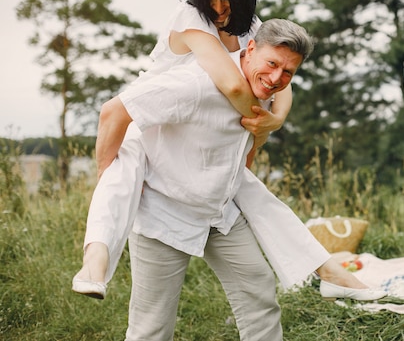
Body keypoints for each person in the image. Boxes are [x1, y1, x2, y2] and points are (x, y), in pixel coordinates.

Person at [72, 0, 385, 303]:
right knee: (120, 176)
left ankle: (329, 271)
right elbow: (234, 84)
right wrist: (102, 174)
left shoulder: (251, 28)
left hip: (202, 138)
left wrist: (274, 121)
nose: (219, 8)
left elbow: (282, 81)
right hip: (153, 123)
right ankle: (94, 264)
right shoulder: (192, 19)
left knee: (259, 198)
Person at [102, 18, 308, 340]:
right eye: (272, 65)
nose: (276, 78)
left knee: (259, 291)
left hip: (219, 214)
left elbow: (246, 148)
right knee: (152, 326)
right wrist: (109, 185)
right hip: (164, 212)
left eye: (287, 73)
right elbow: (113, 112)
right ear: (250, 48)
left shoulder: (265, 89)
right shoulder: (195, 83)